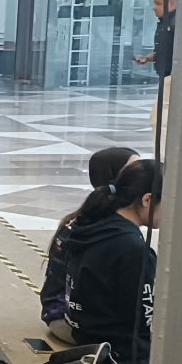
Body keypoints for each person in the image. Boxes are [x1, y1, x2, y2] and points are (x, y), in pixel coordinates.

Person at [64, 159, 162, 364]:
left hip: (88, 342)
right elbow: (145, 321)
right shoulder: (133, 250)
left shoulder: (91, 226)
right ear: (147, 200)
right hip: (125, 357)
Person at [41, 147, 139, 344]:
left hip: (62, 313)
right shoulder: (107, 229)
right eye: (134, 169)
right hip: (70, 322)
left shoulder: (89, 215)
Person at [134, 0, 176, 146]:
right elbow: (163, 50)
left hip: (173, 78)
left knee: (160, 121)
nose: (153, 8)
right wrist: (147, 58)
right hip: (166, 77)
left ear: (171, 3)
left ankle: (164, 155)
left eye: (158, 4)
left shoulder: (178, 25)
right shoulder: (164, 23)